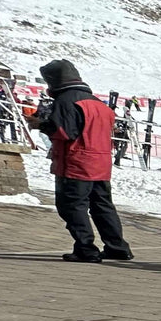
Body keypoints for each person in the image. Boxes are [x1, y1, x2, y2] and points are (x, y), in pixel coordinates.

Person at [27, 59, 132, 262]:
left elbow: (65, 132)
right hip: (101, 162)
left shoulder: (66, 101)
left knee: (72, 205)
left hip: (77, 162)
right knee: (102, 205)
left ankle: (86, 249)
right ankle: (117, 247)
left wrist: (40, 125)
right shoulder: (96, 102)